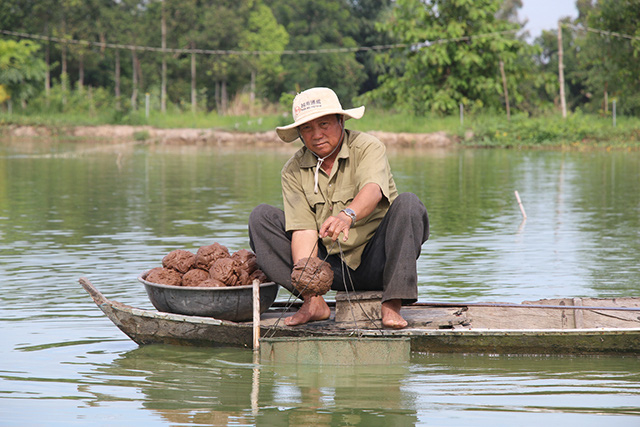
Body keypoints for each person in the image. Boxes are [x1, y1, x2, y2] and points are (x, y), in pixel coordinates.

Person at [249, 87, 429, 329]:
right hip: (330, 269)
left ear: (340, 121)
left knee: (409, 204)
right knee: (261, 218)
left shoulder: (367, 147)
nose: (316, 135)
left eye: (324, 124)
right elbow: (303, 231)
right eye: (307, 128)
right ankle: (314, 304)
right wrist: (311, 285)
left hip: (378, 262)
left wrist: (348, 215)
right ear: (300, 134)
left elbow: (374, 189)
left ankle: (392, 303)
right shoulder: (293, 170)